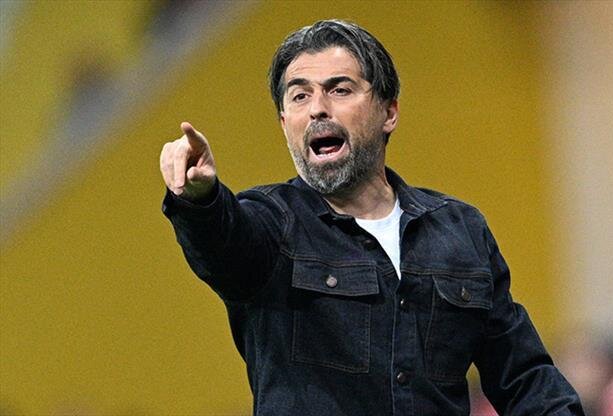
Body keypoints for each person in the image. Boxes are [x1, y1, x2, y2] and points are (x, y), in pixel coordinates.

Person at [160, 19, 583, 416]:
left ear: (389, 112)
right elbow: (223, 244)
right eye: (300, 96)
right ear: (285, 122)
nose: (317, 109)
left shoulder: (461, 230)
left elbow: (526, 380)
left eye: (340, 90)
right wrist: (201, 198)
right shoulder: (270, 222)